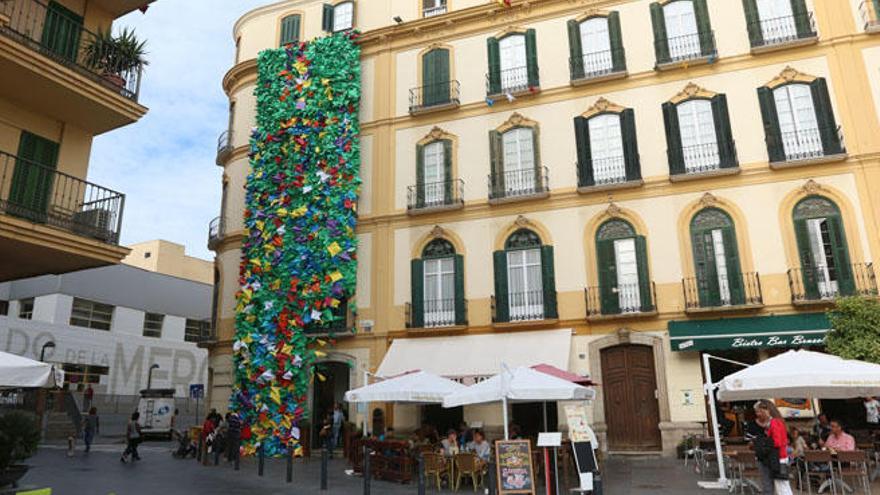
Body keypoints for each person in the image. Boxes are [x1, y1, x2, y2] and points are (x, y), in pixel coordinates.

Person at [753, 400, 793, 495]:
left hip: (778, 457)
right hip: (780, 457)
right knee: (782, 485)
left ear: (767, 410)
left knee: (782, 486)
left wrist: (763, 443)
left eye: (760, 411)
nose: (758, 414)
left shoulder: (774, 422)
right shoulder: (777, 422)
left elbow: (777, 442)